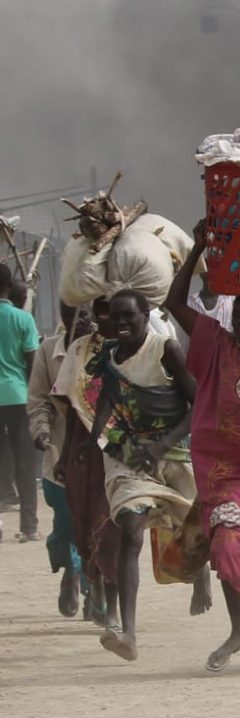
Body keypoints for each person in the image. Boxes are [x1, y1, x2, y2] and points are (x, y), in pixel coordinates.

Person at [166, 222, 240, 673]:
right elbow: (175, 303)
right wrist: (197, 246)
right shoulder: (215, 342)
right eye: (239, 314)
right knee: (229, 543)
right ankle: (238, 630)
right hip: (225, 473)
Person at [91, 289, 210, 661]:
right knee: (130, 530)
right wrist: (92, 439)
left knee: (194, 530)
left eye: (129, 316)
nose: (122, 323)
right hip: (128, 456)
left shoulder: (166, 350)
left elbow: (198, 404)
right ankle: (128, 632)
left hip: (173, 452)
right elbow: (107, 400)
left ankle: (200, 574)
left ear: (146, 316)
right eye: (115, 317)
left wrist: (162, 446)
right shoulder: (108, 357)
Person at [53, 297, 119, 627]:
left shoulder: (134, 344)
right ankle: (94, 586)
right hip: (83, 448)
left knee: (111, 525)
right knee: (82, 522)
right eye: (100, 309)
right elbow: (70, 407)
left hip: (119, 447)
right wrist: (65, 455)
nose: (106, 316)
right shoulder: (79, 349)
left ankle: (111, 601)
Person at [28, 303, 90, 616]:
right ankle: (70, 570)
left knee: (95, 526)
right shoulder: (48, 351)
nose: (82, 319)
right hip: (59, 456)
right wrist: (40, 431)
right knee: (66, 525)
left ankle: (96, 590)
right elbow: (39, 398)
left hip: (98, 456)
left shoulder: (106, 348)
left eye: (87, 312)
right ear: (63, 316)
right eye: (74, 312)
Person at [0, 265, 40, 542]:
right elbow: (32, 364)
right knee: (25, 462)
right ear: (9, 286)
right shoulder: (23, 319)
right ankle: (29, 526)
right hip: (17, 395)